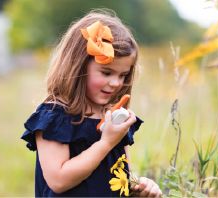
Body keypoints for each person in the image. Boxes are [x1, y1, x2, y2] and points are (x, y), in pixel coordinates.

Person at [21, 9, 162, 197]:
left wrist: (138, 186)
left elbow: (119, 177)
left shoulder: (114, 116)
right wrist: (106, 143)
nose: (116, 83)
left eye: (123, 75)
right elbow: (58, 181)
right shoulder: (55, 116)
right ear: (78, 65)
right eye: (106, 72)